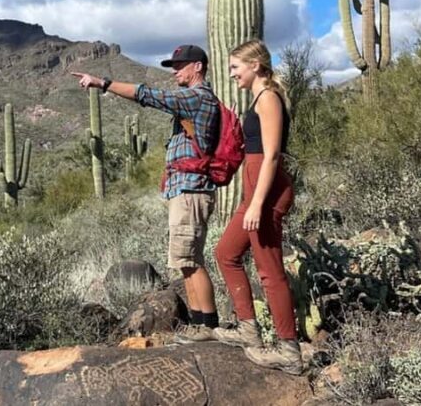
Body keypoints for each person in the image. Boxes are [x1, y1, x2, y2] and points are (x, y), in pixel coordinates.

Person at [71, 44, 222, 342]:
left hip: (191, 189)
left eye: (181, 65)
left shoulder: (197, 97)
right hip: (185, 189)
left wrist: (104, 83)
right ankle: (198, 324)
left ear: (198, 67)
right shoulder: (195, 98)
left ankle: (208, 326)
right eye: (173, 65)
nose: (175, 70)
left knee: (190, 260)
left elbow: (150, 96)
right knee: (185, 260)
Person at [210, 39, 302, 374]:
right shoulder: (258, 99)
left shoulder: (269, 99)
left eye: (236, 67)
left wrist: (258, 205)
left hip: (266, 194)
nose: (232, 73)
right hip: (254, 193)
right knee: (225, 253)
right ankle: (249, 330)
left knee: (270, 270)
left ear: (256, 66)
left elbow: (273, 155)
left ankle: (289, 352)